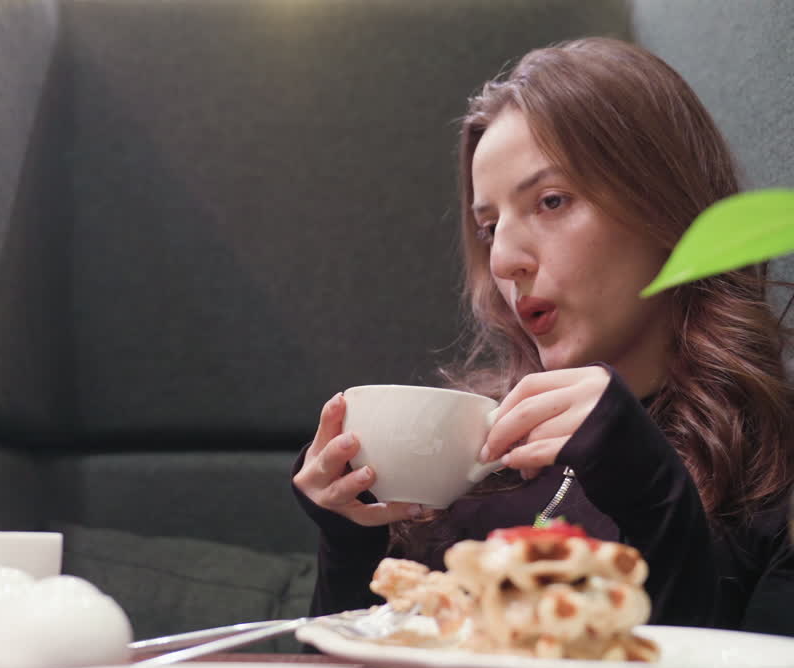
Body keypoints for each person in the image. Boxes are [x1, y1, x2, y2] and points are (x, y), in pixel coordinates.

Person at [291, 37, 794, 636]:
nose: (503, 259)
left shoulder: (771, 468)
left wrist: (655, 495)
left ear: (664, 204)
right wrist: (349, 541)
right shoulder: (470, 457)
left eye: (551, 201)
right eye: (489, 226)